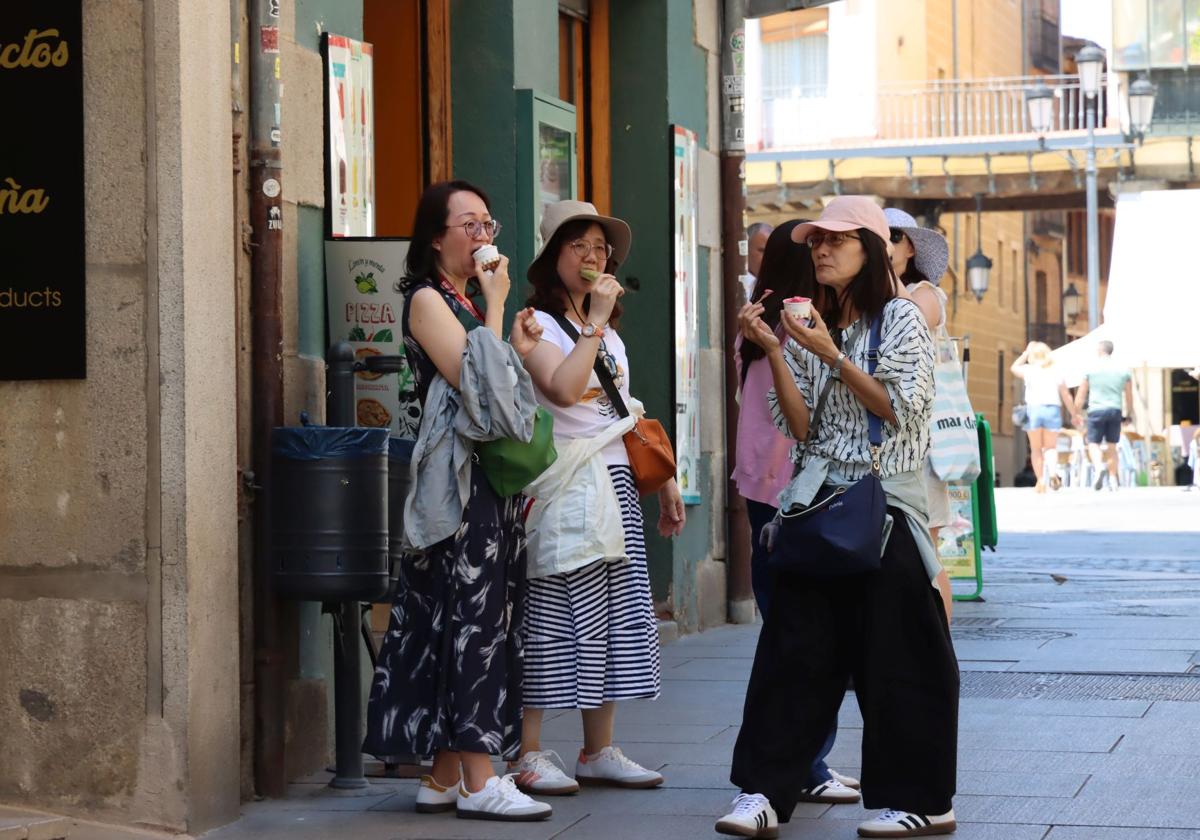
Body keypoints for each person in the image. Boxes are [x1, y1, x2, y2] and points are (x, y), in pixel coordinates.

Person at [717, 196, 958, 839]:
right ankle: (764, 791)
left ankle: (923, 801)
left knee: (902, 660)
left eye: (837, 239)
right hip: (819, 506)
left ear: (873, 250)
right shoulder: (812, 321)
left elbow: (897, 410)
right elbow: (800, 425)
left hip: (884, 508)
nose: (820, 249)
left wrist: (829, 355)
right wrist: (774, 347)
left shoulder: (902, 319)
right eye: (816, 239)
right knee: (792, 653)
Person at [362, 181, 553, 821]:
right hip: (458, 492)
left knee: (466, 622)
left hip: (486, 487)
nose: (481, 235)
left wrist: (513, 342)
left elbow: (497, 386)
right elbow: (480, 391)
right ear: (434, 237)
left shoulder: (463, 300)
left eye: (486, 222)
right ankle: (479, 777)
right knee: (472, 627)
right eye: (467, 224)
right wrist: (496, 308)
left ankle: (443, 775)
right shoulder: (426, 300)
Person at [510, 200, 687, 796]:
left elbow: (622, 412)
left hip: (613, 482)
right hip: (564, 486)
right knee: (553, 613)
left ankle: (598, 748)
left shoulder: (606, 330)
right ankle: (528, 752)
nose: (592, 257)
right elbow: (560, 389)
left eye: (600, 247)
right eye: (577, 245)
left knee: (614, 618)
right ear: (552, 257)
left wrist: (665, 480)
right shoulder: (536, 322)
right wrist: (595, 320)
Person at [733, 221, 860, 806]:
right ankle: (807, 762)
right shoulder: (789, 320)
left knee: (792, 625)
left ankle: (808, 759)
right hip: (793, 487)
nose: (824, 255)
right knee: (802, 629)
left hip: (774, 485)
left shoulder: (768, 320)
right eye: (814, 248)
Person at [884, 208, 957, 621]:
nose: (883, 247)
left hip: (923, 443)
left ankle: (940, 649)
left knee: (925, 554)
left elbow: (910, 320)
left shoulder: (927, 293)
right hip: (887, 442)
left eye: (890, 238)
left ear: (909, 247)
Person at [1010, 341, 1074, 493]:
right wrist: (1074, 414)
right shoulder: (1056, 370)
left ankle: (1040, 480)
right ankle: (1052, 473)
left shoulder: (1029, 370)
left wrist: (1025, 354)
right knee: (1051, 447)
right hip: (1052, 409)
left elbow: (1013, 367)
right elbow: (1066, 395)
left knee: (1036, 448)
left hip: (1034, 410)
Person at [1073, 340, 1133, 491]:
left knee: (1093, 443)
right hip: (1115, 410)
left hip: (1096, 410)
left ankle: (1099, 468)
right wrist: (1129, 414)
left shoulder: (1091, 369)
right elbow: (1129, 395)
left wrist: (1075, 412)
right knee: (1112, 445)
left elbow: (1081, 393)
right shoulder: (1123, 369)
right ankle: (1113, 479)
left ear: (1099, 350)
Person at [741, 222, 773, 300]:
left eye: (773, 252)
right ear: (746, 249)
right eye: (762, 251)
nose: (769, 257)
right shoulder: (729, 283)